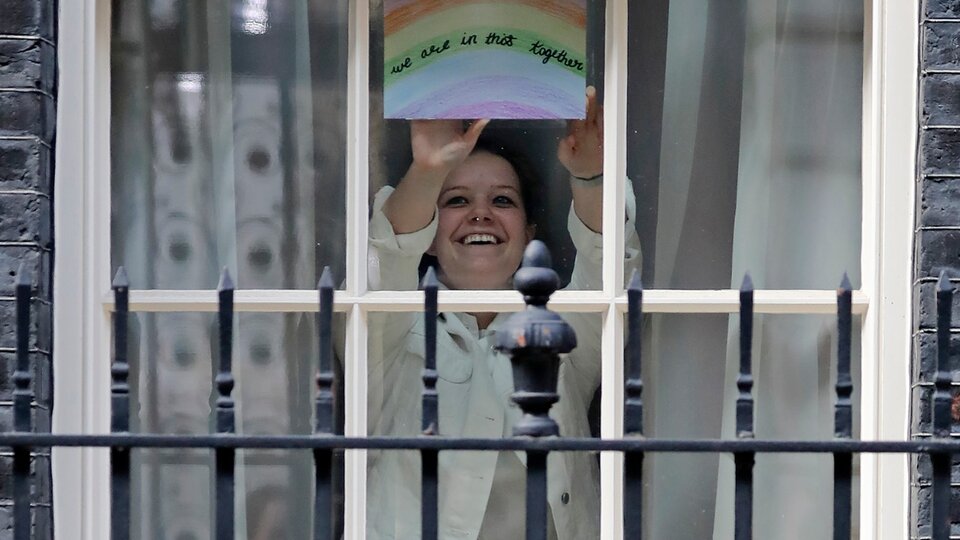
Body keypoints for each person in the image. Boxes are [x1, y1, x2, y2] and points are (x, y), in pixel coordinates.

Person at [363, 87, 641, 539]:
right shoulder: (388, 330)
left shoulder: (564, 329)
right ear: (430, 234)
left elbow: (611, 270)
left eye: (503, 201)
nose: (480, 215)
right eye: (456, 200)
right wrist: (428, 170)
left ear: (528, 231)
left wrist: (591, 177)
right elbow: (384, 261)